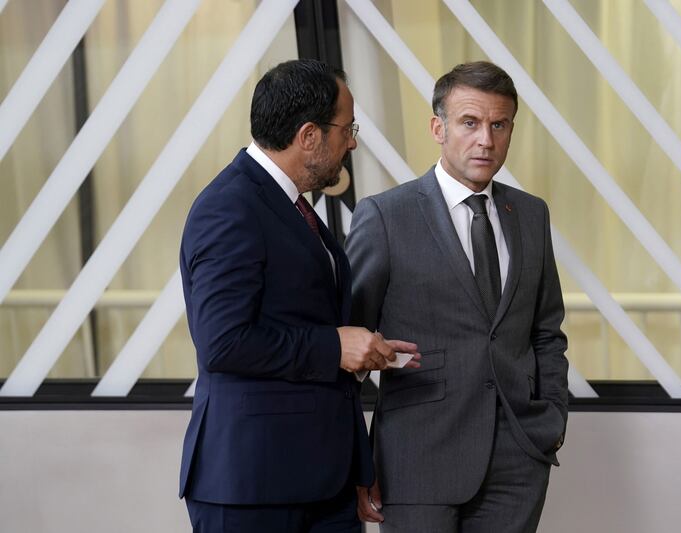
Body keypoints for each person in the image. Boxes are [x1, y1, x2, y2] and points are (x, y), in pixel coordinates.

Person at [178, 59, 419, 533]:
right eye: (347, 129)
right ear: (309, 135)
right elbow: (224, 342)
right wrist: (336, 346)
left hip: (321, 484)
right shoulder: (229, 207)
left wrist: (366, 352)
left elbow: (301, 319)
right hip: (253, 487)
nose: (352, 141)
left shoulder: (289, 205)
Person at [346, 61, 569, 532]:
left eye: (499, 124)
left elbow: (547, 332)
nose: (485, 139)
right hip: (415, 460)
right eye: (470, 123)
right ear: (438, 128)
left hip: (518, 460)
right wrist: (355, 459)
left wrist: (550, 421)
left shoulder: (530, 215)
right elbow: (349, 347)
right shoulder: (385, 217)